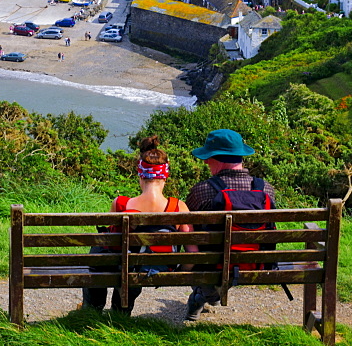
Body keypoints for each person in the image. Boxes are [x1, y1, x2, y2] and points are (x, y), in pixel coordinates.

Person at [83, 136, 195, 315]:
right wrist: (179, 272)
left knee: (102, 254)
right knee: (134, 263)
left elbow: (110, 243)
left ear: (140, 175)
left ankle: (92, 309)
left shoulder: (121, 204)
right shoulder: (179, 207)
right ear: (165, 176)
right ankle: (121, 313)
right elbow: (193, 253)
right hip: (159, 268)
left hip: (123, 266)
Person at [183, 129, 277, 322]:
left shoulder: (202, 191)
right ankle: (210, 293)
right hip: (256, 262)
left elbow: (186, 228)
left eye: (208, 158)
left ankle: (206, 292)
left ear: (217, 159)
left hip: (212, 264)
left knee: (189, 241)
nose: (206, 162)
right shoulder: (266, 190)